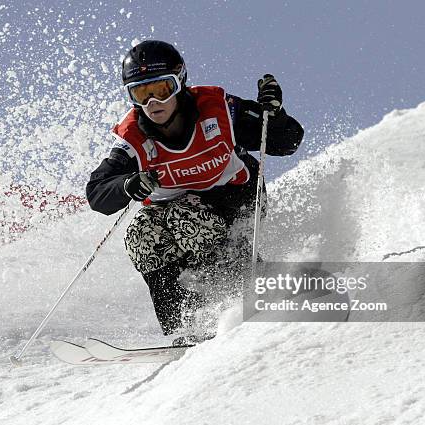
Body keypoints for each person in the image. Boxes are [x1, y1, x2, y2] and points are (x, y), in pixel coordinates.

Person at [87, 40, 303, 338]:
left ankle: (244, 291)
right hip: (179, 210)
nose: (152, 103)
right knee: (142, 235)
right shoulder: (133, 139)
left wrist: (275, 116)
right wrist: (127, 184)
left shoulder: (218, 111)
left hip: (235, 201)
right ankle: (183, 326)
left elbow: (286, 142)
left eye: (161, 89)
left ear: (180, 83)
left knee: (185, 217)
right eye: (140, 94)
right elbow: (97, 194)